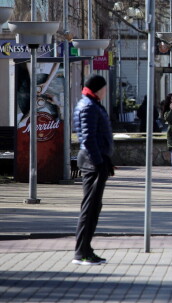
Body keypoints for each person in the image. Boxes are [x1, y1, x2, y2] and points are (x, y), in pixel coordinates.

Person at [72, 75, 114, 265]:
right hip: (92, 162)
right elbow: (88, 139)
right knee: (90, 208)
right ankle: (82, 253)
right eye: (104, 88)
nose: (106, 91)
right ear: (98, 89)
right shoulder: (88, 106)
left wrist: (106, 160)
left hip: (95, 160)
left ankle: (86, 249)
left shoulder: (91, 103)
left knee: (94, 206)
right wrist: (99, 163)